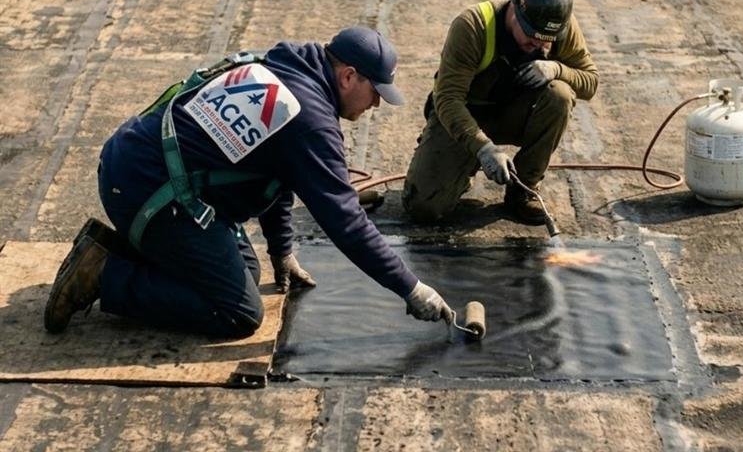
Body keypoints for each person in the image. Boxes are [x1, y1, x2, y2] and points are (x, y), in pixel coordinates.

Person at [44, 27, 453, 337]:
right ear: (348, 77)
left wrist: (282, 250)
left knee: (247, 269)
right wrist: (410, 288)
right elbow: (346, 222)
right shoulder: (310, 121)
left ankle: (138, 254)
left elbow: (275, 170)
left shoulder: (283, 67)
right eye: (376, 92)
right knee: (238, 313)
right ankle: (105, 275)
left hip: (133, 164)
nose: (378, 104)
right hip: (148, 192)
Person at [403, 0, 598, 224]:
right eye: (531, 37)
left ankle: (524, 189)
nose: (539, 46)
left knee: (560, 95)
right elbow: (448, 100)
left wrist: (557, 69)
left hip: (515, 114)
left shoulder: (559, 26)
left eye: (546, 41)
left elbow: (590, 82)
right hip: (467, 115)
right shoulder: (473, 27)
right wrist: (482, 148)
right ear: (515, 12)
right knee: (423, 208)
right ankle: (462, 166)